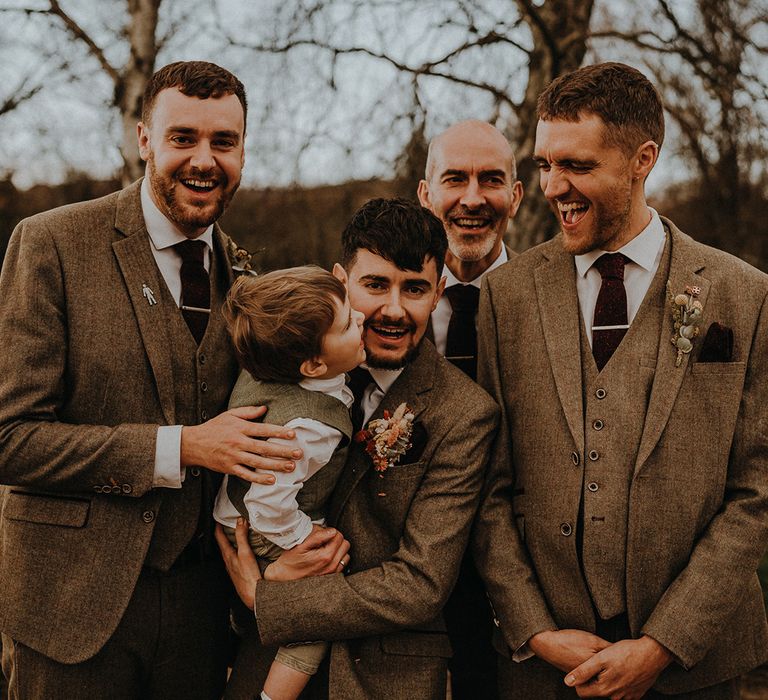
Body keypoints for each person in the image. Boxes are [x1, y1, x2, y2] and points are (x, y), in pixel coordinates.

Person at [0, 61, 342, 699]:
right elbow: (10, 439)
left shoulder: (247, 281)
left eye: (225, 142)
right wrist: (181, 447)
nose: (204, 160)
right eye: (183, 138)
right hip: (70, 612)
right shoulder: (50, 245)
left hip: (202, 618)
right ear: (144, 140)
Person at [474, 61, 768, 699]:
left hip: (696, 670)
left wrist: (664, 644)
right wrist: (535, 629)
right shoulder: (505, 296)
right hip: (542, 670)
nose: (553, 187)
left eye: (576, 166)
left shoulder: (744, 295)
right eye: (545, 164)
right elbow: (487, 489)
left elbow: (757, 492)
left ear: (643, 159)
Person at [216, 197, 500, 700]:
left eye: (413, 288)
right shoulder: (282, 364)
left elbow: (419, 583)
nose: (393, 309)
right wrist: (262, 585)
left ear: (438, 293)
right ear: (341, 280)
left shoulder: (465, 412)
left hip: (385, 679)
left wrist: (271, 597)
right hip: (266, 661)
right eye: (375, 285)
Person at [214, 266, 365, 700]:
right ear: (314, 363)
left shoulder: (270, 363)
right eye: (346, 322)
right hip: (261, 522)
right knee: (315, 615)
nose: (359, 319)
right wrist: (304, 539)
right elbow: (268, 501)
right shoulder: (307, 429)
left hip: (242, 509)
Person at [417, 119, 523, 698]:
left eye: (492, 180)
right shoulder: (385, 304)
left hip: (520, 581)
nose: (473, 198)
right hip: (411, 575)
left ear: (517, 194)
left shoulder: (550, 300)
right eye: (454, 179)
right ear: (426, 194)